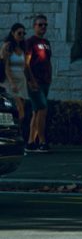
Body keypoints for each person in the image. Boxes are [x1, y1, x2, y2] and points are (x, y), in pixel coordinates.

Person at [24, 13, 52, 152]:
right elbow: (26, 63)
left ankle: (30, 142)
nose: (43, 27)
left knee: (36, 112)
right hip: (35, 82)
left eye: (45, 25)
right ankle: (42, 141)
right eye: (40, 24)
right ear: (34, 26)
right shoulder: (30, 42)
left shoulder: (46, 43)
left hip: (45, 81)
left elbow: (48, 61)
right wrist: (31, 81)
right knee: (43, 110)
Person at [0, 22, 29, 145]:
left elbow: (25, 66)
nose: (21, 35)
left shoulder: (21, 48)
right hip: (10, 81)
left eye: (23, 33)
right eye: (19, 33)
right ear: (13, 33)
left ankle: (17, 137)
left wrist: (30, 81)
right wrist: (12, 83)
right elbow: (5, 67)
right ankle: (12, 137)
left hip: (21, 81)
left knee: (21, 111)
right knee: (18, 110)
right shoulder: (7, 46)